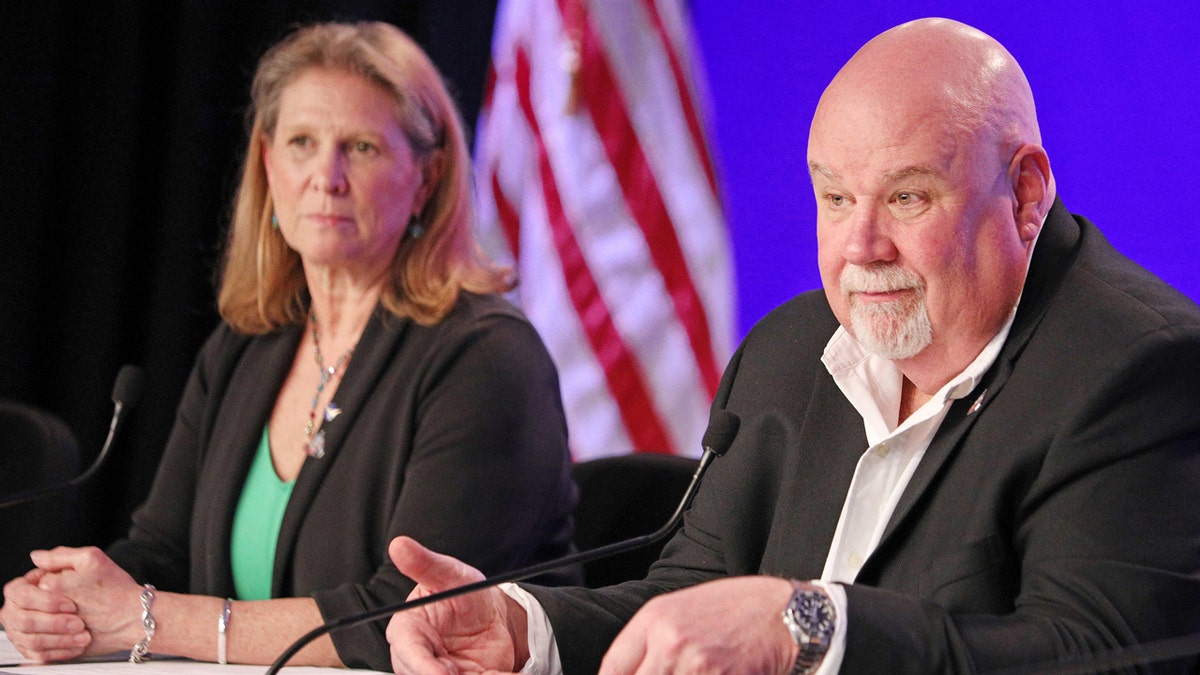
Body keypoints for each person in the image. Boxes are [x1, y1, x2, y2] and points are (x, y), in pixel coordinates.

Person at [383, 17, 1200, 675]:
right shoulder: (791, 349)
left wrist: (809, 624)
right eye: (835, 198)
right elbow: (691, 599)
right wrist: (523, 626)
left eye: (907, 197)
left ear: (1024, 193)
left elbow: (1094, 653)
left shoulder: (1135, 370)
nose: (861, 248)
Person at [0, 21, 579, 671]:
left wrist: (143, 615)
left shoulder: (487, 359)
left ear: (426, 177)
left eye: (361, 147)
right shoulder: (246, 348)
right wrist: (65, 603)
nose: (326, 177)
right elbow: (161, 553)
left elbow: (411, 616)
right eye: (302, 143)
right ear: (269, 164)